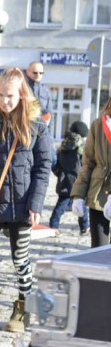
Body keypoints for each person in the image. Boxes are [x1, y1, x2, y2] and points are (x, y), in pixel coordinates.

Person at [0, 68, 52, 333]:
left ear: (21, 95)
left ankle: (23, 308)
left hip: (22, 205)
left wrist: (36, 203)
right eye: (0, 95)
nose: (5, 101)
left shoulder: (35, 123)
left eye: (10, 96)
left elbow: (44, 166)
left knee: (20, 260)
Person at [72, 100, 111, 248]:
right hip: (98, 194)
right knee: (98, 249)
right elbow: (88, 163)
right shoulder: (98, 125)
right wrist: (78, 195)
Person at [50, 121, 89, 234]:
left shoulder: (62, 146)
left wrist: (60, 174)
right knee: (81, 206)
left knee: (61, 205)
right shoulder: (82, 147)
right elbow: (85, 164)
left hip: (65, 181)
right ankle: (84, 227)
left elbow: (55, 163)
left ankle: (53, 226)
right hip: (78, 181)